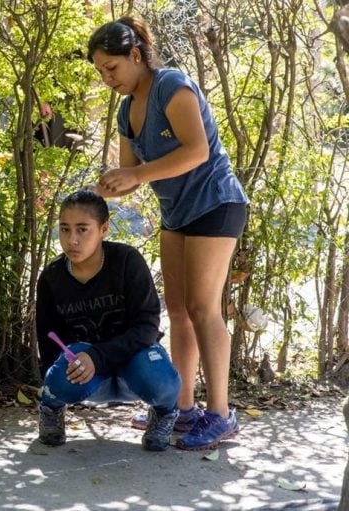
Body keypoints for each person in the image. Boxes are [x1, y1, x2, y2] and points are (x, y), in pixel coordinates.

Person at [86, 16, 249, 450]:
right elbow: (132, 174)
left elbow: (197, 151)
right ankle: (183, 406)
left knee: (202, 307)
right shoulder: (126, 110)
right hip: (176, 212)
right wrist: (113, 184)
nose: (107, 79)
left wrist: (136, 172)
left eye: (112, 68)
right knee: (176, 309)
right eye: (100, 71)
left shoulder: (172, 85)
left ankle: (221, 414)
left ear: (136, 55)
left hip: (216, 203)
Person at [36, 189, 181, 451]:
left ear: (103, 229)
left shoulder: (127, 261)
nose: (72, 240)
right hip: (85, 371)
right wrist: (53, 384)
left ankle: (164, 414)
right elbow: (48, 339)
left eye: (83, 230)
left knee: (163, 383)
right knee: (58, 375)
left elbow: (147, 327)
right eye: (65, 229)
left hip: (133, 361)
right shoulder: (52, 277)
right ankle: (51, 409)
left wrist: (100, 356)